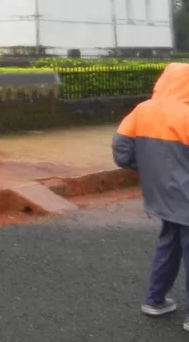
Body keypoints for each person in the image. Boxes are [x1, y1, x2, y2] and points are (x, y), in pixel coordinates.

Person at [112, 63, 189, 330]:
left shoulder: (141, 110)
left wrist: (147, 168)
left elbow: (121, 153)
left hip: (161, 197)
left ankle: (155, 299)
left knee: (169, 243)